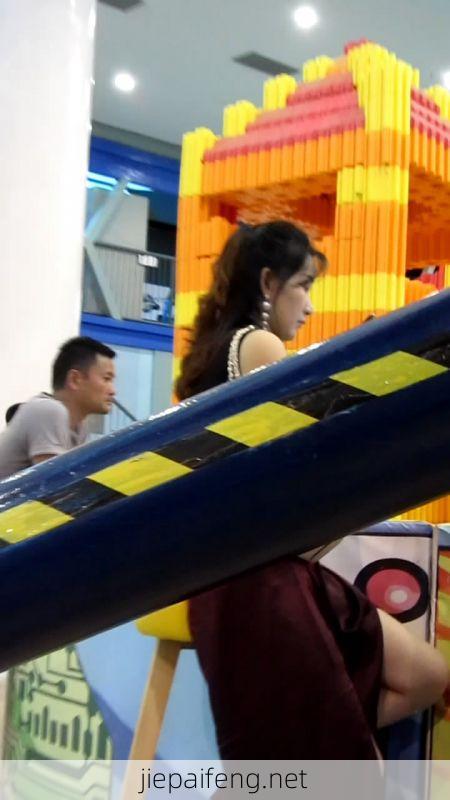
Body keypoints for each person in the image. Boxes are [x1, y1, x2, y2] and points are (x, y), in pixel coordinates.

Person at [176, 220, 449, 759]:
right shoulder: (260, 345)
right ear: (268, 283)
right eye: (303, 285)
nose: (309, 306)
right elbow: (308, 468)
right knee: (422, 677)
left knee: (407, 683)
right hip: (267, 583)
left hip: (234, 581)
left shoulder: (206, 359)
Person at [0, 336, 116, 479]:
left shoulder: (79, 429)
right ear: (75, 379)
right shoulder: (48, 410)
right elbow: (54, 484)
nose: (113, 391)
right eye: (106, 379)